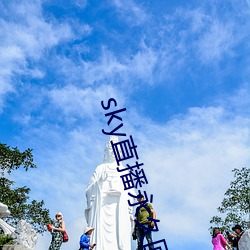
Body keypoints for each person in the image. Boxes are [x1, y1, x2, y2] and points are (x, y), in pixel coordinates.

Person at [85, 136, 135, 250]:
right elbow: (88, 190)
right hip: (102, 208)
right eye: (111, 150)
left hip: (119, 210)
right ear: (106, 151)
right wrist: (99, 183)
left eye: (116, 150)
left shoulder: (125, 171)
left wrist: (122, 192)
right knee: (100, 238)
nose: (113, 152)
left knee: (119, 238)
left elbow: (132, 194)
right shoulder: (100, 169)